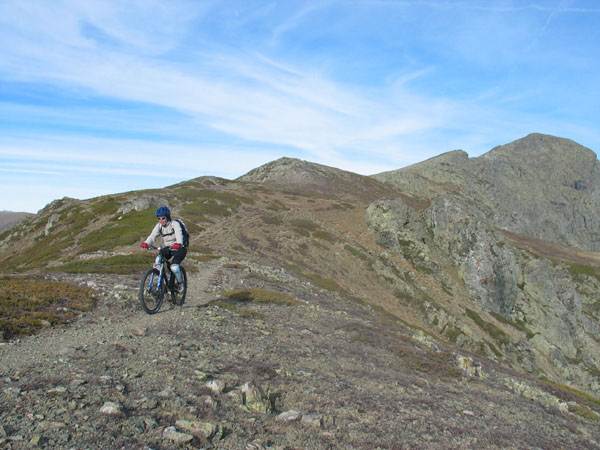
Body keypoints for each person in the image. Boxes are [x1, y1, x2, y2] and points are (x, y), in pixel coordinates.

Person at [141, 206, 187, 286]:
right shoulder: (159, 226)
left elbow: (179, 234)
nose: (161, 220)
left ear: (168, 217)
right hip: (169, 248)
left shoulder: (174, 224)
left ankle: (180, 282)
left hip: (180, 247)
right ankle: (161, 281)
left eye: (163, 218)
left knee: (174, 267)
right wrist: (146, 243)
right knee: (158, 260)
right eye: (159, 218)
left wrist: (179, 243)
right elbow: (152, 236)